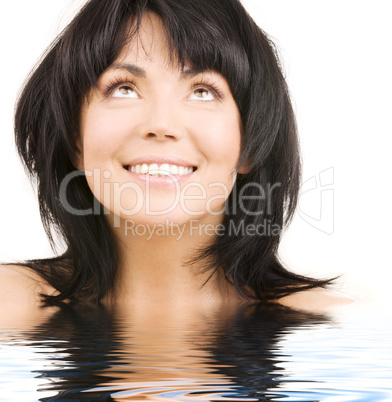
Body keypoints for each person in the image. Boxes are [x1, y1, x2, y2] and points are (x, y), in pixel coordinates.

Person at [0, 0, 352, 313]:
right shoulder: (9, 303)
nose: (161, 124)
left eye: (202, 91)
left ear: (250, 144)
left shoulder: (329, 323)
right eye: (124, 88)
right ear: (75, 140)